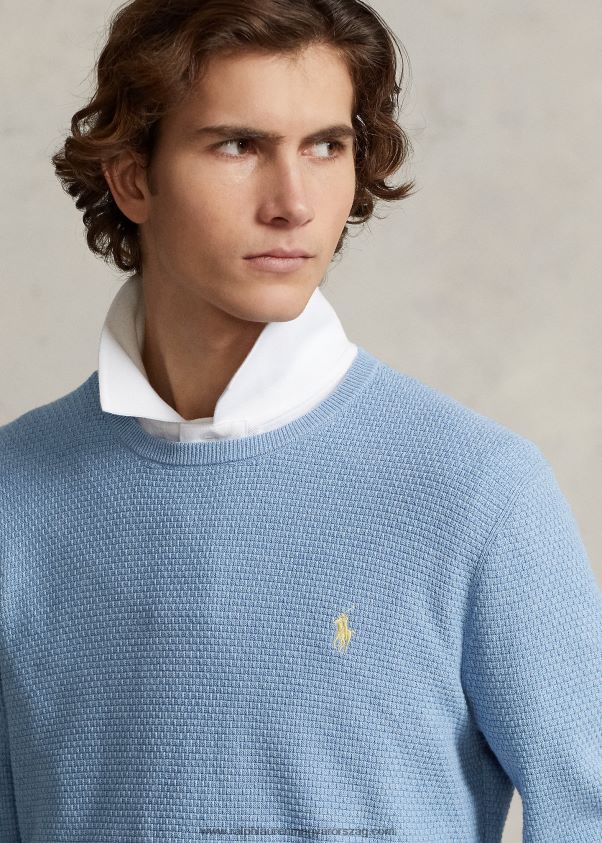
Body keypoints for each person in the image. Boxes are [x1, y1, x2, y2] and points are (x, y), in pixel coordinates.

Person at [1, 1, 600, 841]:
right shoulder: (14, 493)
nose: (293, 203)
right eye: (238, 146)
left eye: (325, 146)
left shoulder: (476, 490)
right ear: (133, 178)